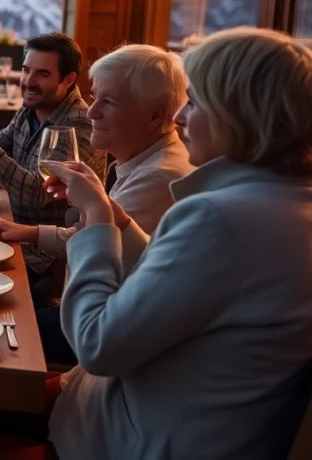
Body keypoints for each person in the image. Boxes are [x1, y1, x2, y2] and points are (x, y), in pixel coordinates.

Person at [44, 28, 312, 459]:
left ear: (240, 114)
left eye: (198, 101)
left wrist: (95, 222)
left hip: (126, 442)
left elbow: (96, 345)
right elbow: (173, 286)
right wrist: (117, 218)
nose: (181, 116)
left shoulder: (222, 218)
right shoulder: (286, 207)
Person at [0, 44, 194, 364]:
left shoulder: (158, 178)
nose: (91, 112)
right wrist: (28, 231)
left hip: (104, 332)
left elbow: (104, 259)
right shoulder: (143, 161)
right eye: (94, 98)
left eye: (109, 102)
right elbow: (97, 240)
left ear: (156, 113)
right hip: (90, 310)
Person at [0, 32, 107, 283]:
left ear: (69, 79)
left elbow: (38, 193)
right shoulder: (30, 109)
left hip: (47, 260)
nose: (29, 81)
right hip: (11, 230)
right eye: (26, 70)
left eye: (43, 74)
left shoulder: (79, 124)